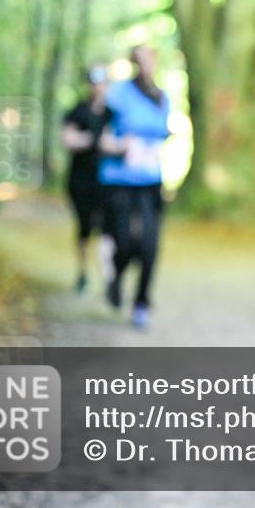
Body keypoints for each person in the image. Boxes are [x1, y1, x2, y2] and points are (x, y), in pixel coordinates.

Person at [98, 46, 171, 330]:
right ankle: (115, 277)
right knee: (125, 241)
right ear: (133, 63)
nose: (146, 65)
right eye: (139, 60)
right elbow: (101, 138)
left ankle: (142, 302)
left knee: (150, 244)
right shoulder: (117, 95)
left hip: (151, 181)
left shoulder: (162, 97)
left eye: (150, 58)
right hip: (118, 181)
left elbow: (162, 134)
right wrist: (120, 147)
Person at [60, 64, 111, 294]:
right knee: (84, 228)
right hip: (80, 180)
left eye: (101, 81)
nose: (98, 86)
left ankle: (108, 277)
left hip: (107, 181)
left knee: (106, 229)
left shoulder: (112, 113)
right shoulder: (78, 111)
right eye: (94, 81)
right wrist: (92, 141)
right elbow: (68, 139)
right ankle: (82, 273)